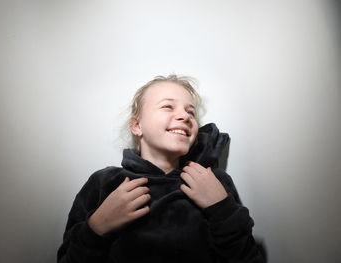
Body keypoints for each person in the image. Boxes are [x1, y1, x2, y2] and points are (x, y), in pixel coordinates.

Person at [57, 75, 266, 262]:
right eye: (168, 106)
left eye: (190, 111)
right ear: (137, 125)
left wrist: (222, 208)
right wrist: (96, 227)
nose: (185, 116)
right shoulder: (105, 182)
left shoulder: (214, 180)